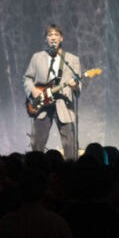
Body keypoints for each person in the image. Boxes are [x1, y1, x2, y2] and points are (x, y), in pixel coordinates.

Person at [23, 23, 82, 159]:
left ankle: (71, 171)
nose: (53, 38)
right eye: (50, 35)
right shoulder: (37, 57)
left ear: (61, 38)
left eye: (56, 35)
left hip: (64, 106)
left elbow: (78, 86)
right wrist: (33, 90)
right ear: (46, 39)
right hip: (42, 106)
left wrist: (74, 86)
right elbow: (26, 78)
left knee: (71, 146)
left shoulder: (72, 60)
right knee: (36, 144)